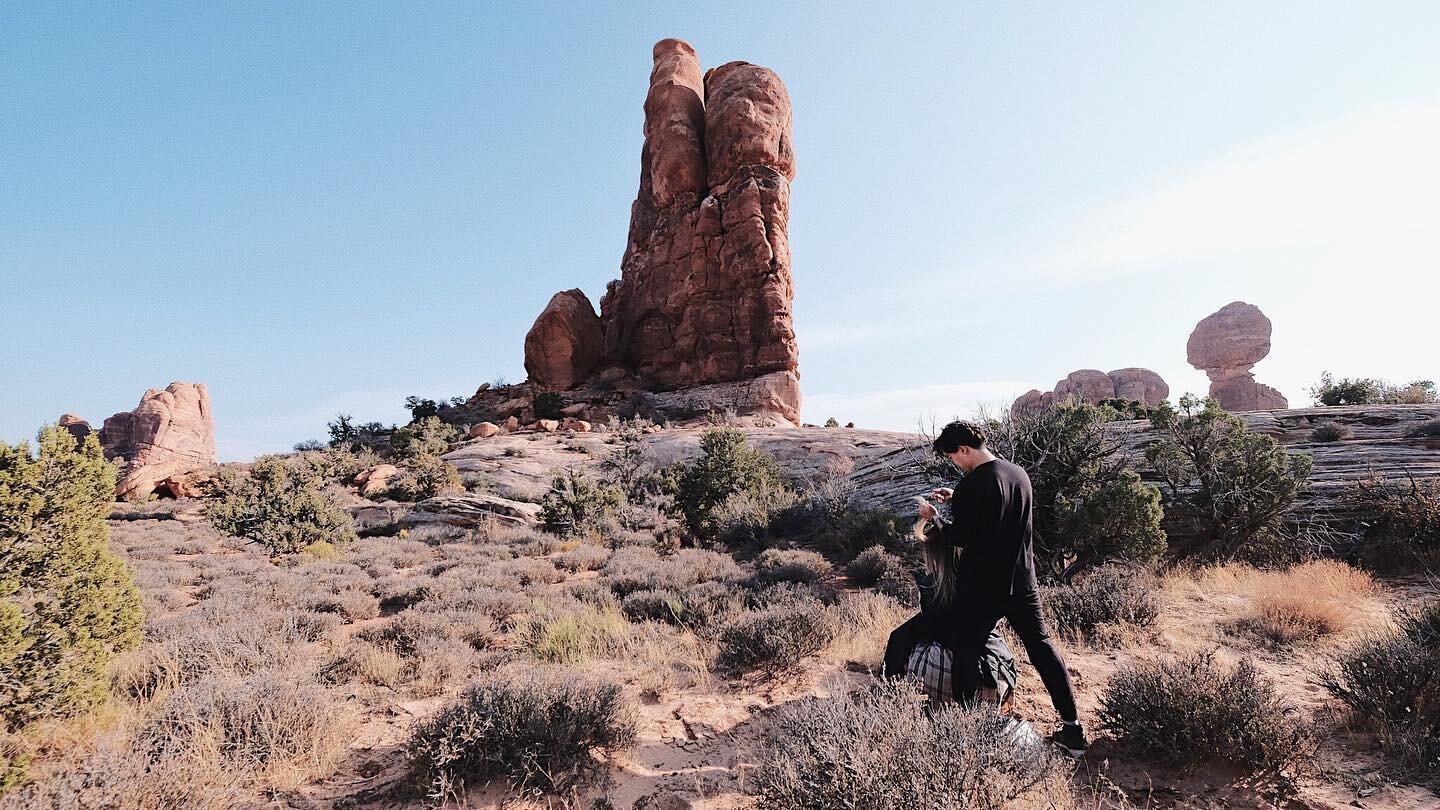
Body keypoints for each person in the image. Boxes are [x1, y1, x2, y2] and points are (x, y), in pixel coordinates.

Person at [918, 420, 1089, 756]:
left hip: (982, 587)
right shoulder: (1018, 474)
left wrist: (934, 515)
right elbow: (998, 514)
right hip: (1022, 582)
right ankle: (1073, 731)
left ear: (964, 449)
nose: (956, 463)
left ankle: (966, 733)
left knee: (965, 650)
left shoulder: (973, 485)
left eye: (955, 457)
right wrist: (959, 499)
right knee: (1042, 650)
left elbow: (960, 537)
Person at [883, 505, 1017, 710]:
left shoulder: (933, 587)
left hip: (948, 684)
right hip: (993, 681)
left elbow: (919, 630)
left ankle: (890, 696)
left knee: (902, 639)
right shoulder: (981, 580)